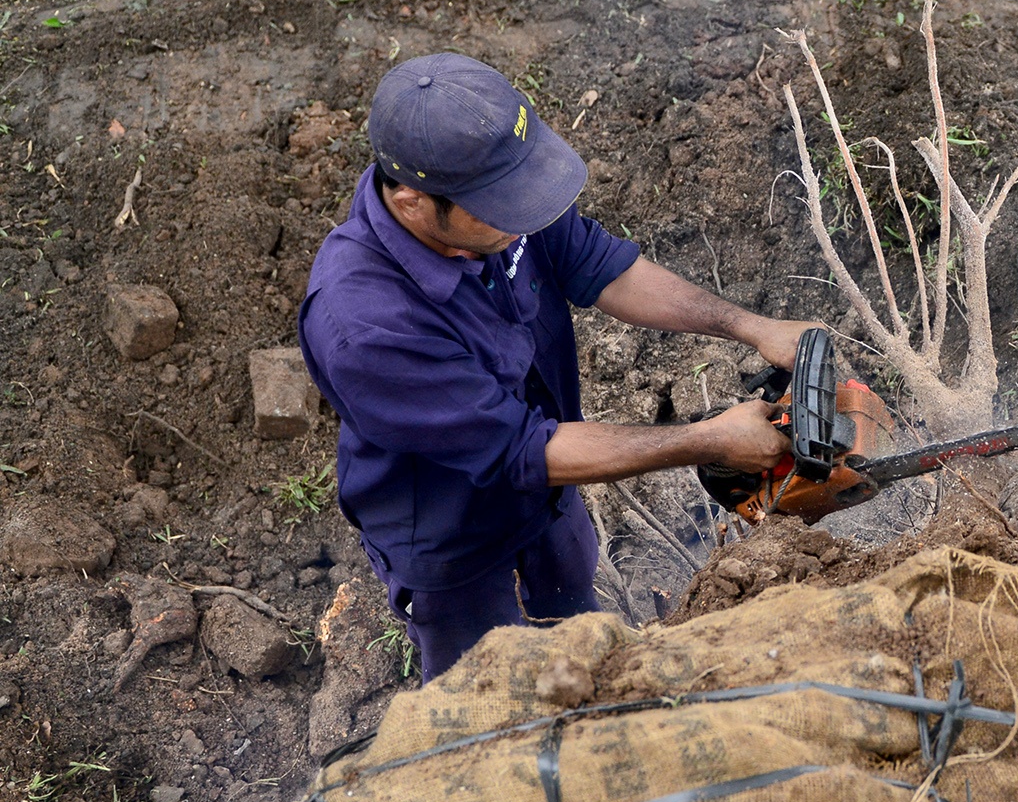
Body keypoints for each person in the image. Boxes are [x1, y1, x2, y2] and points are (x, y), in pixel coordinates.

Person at [299, 52, 808, 681]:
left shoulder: (499, 200)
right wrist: (710, 440)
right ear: (411, 202)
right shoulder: (364, 323)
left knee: (579, 642)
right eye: (502, 207)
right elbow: (519, 450)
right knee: (491, 700)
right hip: (450, 539)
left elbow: (600, 265)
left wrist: (751, 327)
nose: (525, 217)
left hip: (550, 497)